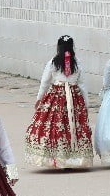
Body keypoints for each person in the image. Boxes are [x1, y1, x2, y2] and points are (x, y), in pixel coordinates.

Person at [24, 35, 94, 168]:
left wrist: (39, 98)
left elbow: (45, 82)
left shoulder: (53, 62)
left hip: (56, 95)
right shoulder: (76, 62)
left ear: (59, 46)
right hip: (74, 97)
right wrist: (86, 102)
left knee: (55, 124)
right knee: (73, 125)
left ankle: (57, 158)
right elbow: (82, 83)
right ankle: (74, 159)